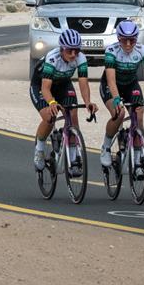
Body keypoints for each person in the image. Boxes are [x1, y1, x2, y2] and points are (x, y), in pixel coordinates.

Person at [99, 20, 144, 175]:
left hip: (130, 84)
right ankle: (106, 147)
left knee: (138, 115)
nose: (128, 44)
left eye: (132, 40)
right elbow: (111, 80)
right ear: (118, 38)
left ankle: (137, 158)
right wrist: (116, 99)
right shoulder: (111, 51)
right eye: (124, 40)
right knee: (119, 113)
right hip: (111, 85)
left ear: (136, 39)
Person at [30, 28, 97, 175]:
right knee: (49, 117)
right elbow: (46, 88)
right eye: (69, 51)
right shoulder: (52, 58)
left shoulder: (81, 58)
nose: (73, 54)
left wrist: (87, 102)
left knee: (73, 113)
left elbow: (83, 83)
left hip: (63, 84)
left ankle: (73, 156)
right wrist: (52, 103)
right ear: (62, 49)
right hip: (41, 86)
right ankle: (39, 150)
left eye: (76, 51)